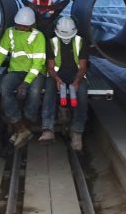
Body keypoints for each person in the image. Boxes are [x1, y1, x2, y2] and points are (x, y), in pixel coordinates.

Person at [0, 6, 46, 148]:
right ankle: (20, 127)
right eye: (19, 25)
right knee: (5, 88)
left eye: (24, 26)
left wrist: (26, 83)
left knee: (34, 92)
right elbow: (0, 54)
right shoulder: (9, 33)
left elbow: (38, 63)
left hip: (35, 72)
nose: (21, 28)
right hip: (15, 70)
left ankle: (26, 124)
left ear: (31, 25)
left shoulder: (38, 36)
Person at [38, 16, 88, 151]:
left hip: (76, 74)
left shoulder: (80, 42)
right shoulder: (52, 42)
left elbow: (83, 67)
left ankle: (77, 131)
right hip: (56, 74)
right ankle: (48, 128)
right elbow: (50, 67)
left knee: (82, 93)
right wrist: (57, 79)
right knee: (49, 92)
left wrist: (76, 81)